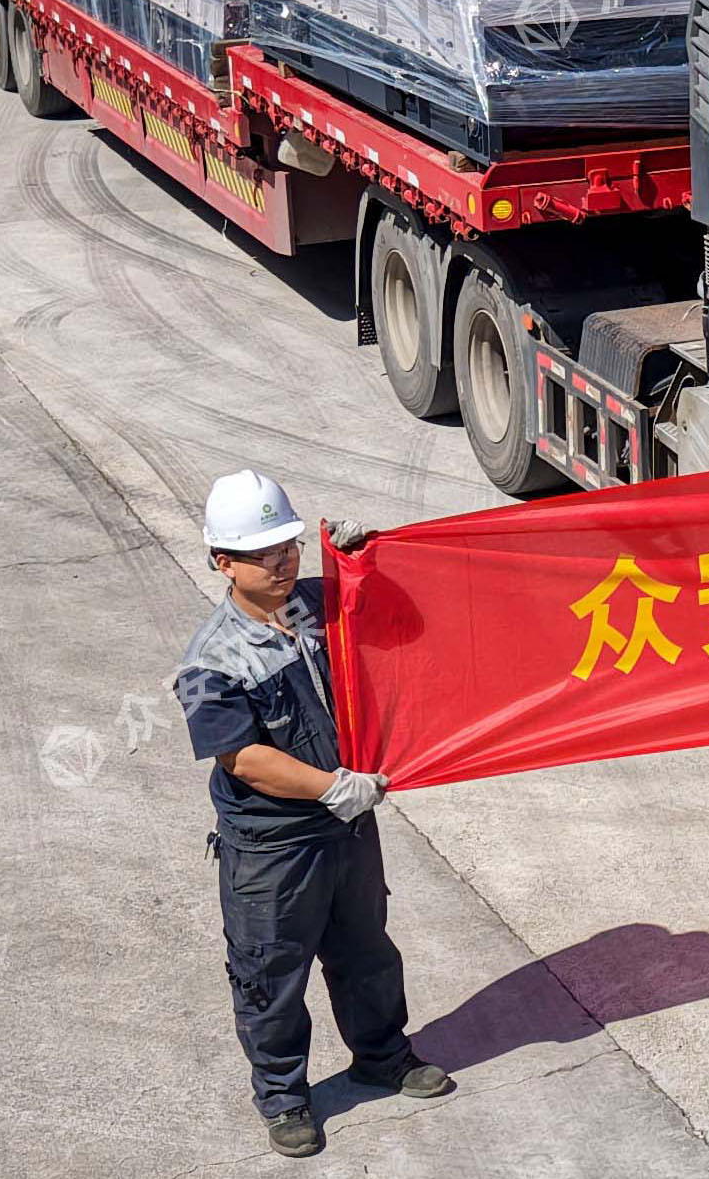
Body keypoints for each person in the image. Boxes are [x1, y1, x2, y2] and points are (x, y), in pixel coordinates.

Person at [175, 470, 453, 1158]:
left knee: (366, 954)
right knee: (270, 974)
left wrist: (370, 565)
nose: (282, 561)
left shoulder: (311, 606)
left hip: (347, 830)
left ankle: (383, 1057)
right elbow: (242, 758)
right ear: (223, 562)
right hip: (274, 849)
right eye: (264, 552)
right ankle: (284, 1097)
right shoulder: (211, 662)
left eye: (289, 546)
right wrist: (332, 788)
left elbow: (398, 621)